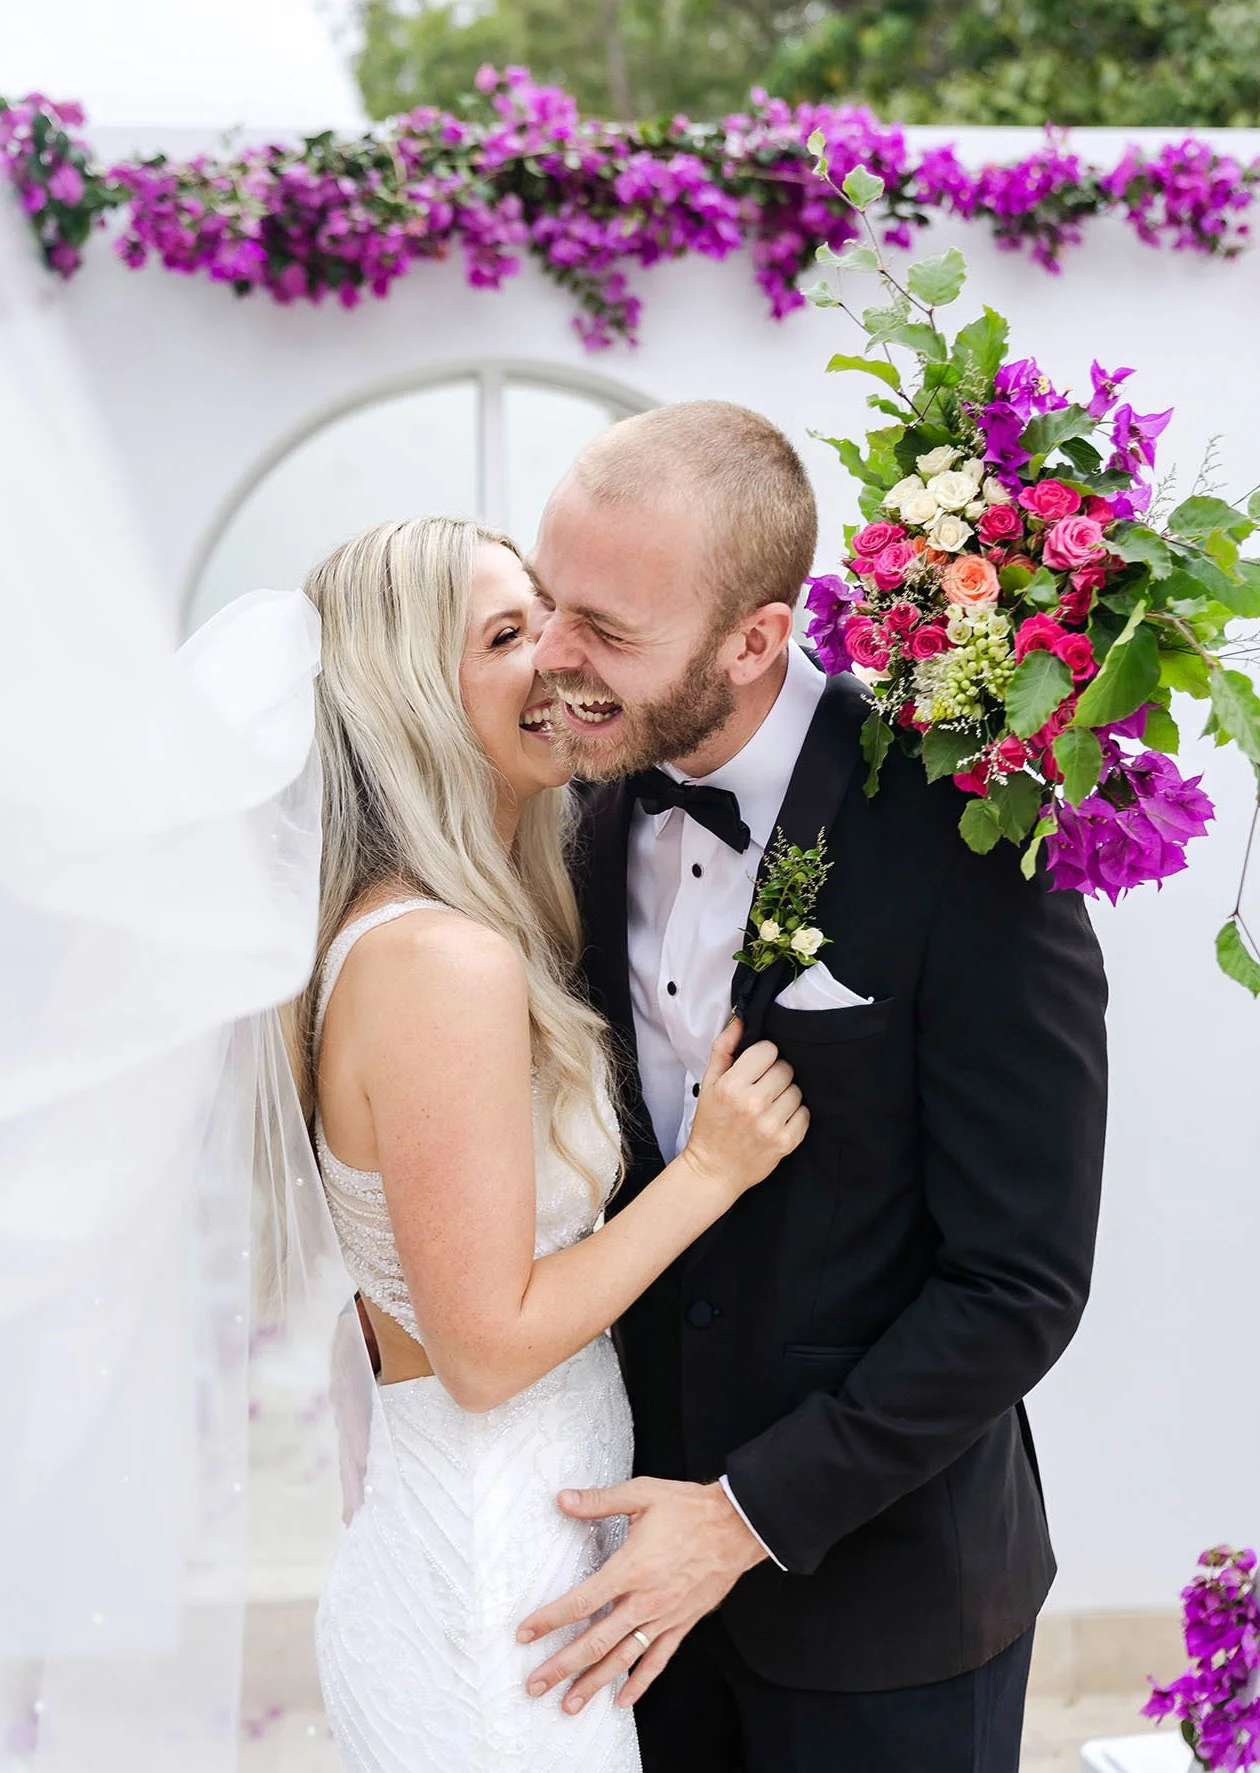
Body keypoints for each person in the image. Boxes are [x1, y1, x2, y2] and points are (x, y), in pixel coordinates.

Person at [514, 400, 1110, 1773]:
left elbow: (1018, 1282)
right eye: (547, 605)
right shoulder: (565, 802)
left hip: (888, 1615)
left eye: (605, 629)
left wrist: (739, 1518)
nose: (551, 658)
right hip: (621, 1597)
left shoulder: (971, 834)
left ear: (755, 639)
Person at [294, 515, 810, 1772]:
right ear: (411, 693)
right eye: (505, 636)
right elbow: (483, 1352)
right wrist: (709, 1172)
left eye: (554, 620)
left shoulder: (457, 926)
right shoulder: (436, 959)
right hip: (490, 1597)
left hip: (522, 1567)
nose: (558, 658)